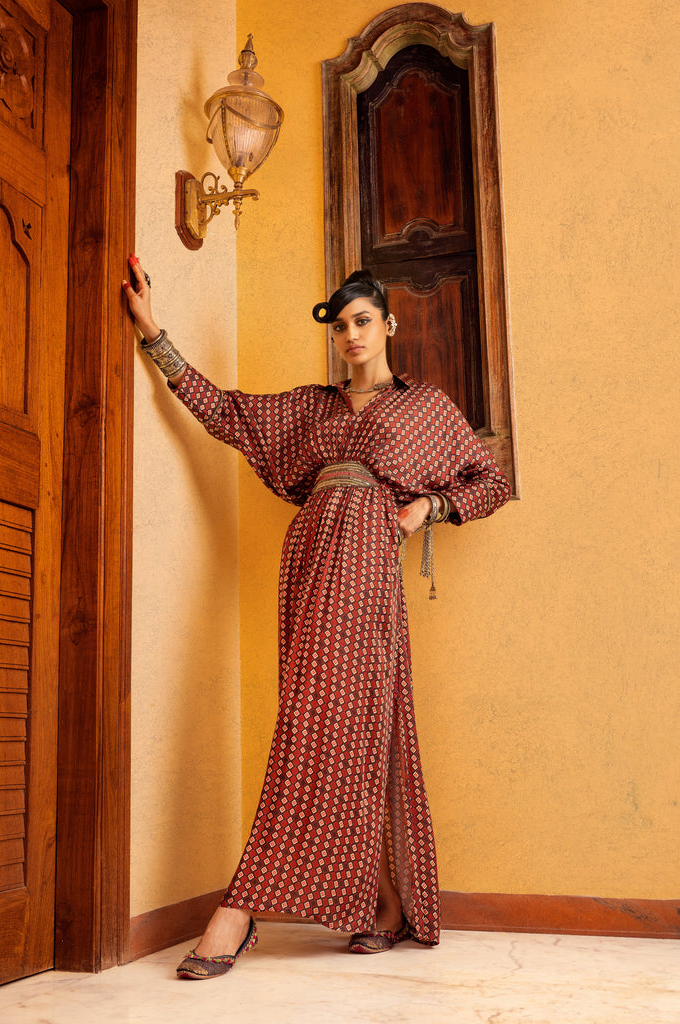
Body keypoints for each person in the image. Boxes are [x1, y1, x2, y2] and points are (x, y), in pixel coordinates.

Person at [123, 255, 511, 979]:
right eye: (339, 327)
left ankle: (239, 911)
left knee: (330, 718)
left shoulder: (426, 408)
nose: (350, 335)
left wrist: (428, 507)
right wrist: (153, 333)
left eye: (362, 321)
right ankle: (382, 906)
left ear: (389, 325)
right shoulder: (311, 407)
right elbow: (226, 412)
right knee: (338, 719)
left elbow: (491, 479)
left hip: (367, 560)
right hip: (306, 560)